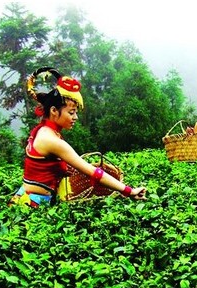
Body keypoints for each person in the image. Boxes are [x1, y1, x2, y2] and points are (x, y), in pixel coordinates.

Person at [9, 67, 147, 208]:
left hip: (26, 197)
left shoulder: (45, 130)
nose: (75, 117)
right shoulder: (51, 140)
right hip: (33, 204)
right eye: (71, 112)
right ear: (54, 111)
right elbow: (93, 172)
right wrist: (129, 191)